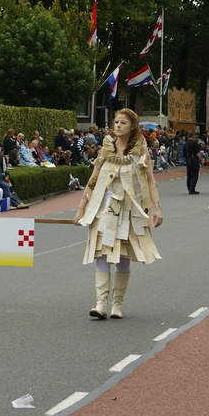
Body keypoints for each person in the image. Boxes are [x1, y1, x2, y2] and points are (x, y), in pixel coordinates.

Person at [73, 108, 163, 320]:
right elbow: (93, 180)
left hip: (129, 211)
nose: (118, 125)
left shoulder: (141, 150)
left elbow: (150, 180)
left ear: (132, 126)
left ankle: (117, 305)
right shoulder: (105, 149)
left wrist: (157, 208)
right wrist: (81, 209)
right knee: (102, 253)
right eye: (116, 122)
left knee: (123, 256)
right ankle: (100, 304)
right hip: (103, 210)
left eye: (123, 122)